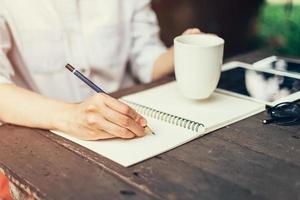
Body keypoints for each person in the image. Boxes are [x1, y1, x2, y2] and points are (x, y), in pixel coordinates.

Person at [0, 0, 201, 141]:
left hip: (129, 120)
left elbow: (146, 60)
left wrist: (178, 53)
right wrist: (71, 116)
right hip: (48, 133)